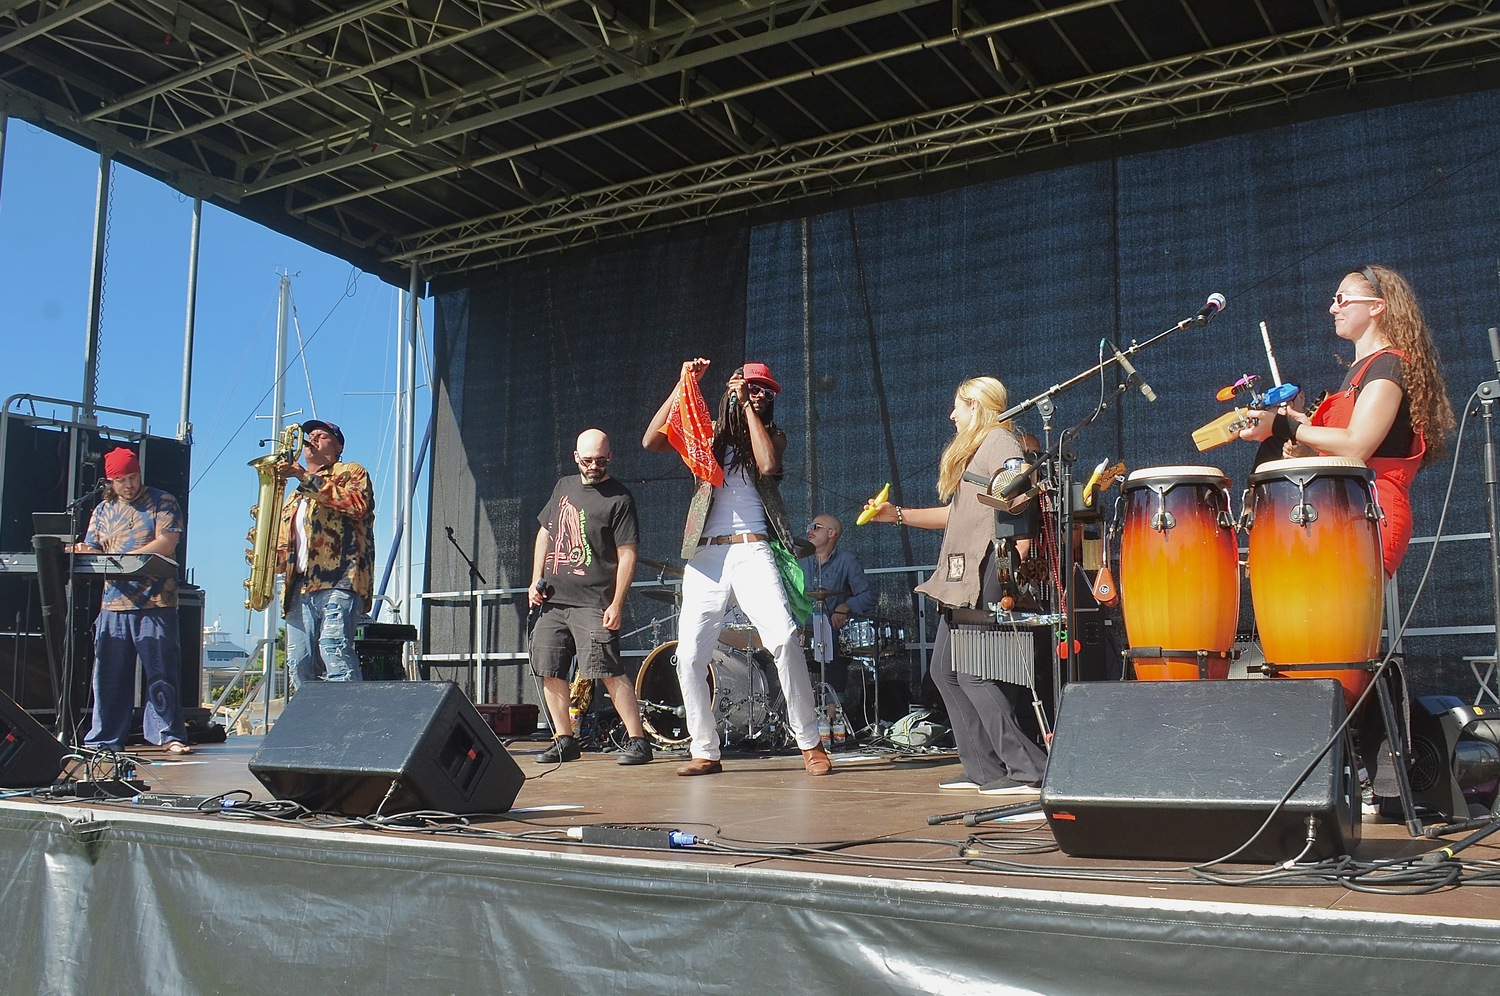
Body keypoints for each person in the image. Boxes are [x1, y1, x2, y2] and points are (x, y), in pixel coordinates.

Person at [643, 359, 831, 776]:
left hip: (753, 549)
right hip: (705, 555)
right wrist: (682, 384)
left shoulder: (773, 435)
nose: (760, 393)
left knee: (782, 637)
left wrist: (745, 405)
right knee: (690, 656)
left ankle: (810, 742)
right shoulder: (707, 433)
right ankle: (705, 750)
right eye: (752, 387)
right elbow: (652, 441)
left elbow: (767, 465)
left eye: (766, 390)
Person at [864, 377, 1048, 796]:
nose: (951, 415)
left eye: (957, 407)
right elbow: (957, 515)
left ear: (975, 405)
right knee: (944, 671)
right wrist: (897, 516)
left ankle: (1028, 767)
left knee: (972, 673)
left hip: (986, 568)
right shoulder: (980, 449)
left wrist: (1015, 558)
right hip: (960, 574)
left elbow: (1019, 501)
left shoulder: (1000, 439)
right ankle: (983, 769)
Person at [1239, 264, 1455, 576]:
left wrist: (1285, 427)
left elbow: (1357, 446)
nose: (1332, 308)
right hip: (1343, 511)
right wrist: (1305, 442)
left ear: (1376, 307)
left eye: (1342, 299)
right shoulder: (1362, 368)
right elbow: (1345, 452)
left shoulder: (1388, 366)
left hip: (1371, 511)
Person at [528, 429, 653, 765]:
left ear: (610, 457)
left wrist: (617, 603)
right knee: (550, 669)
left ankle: (639, 741)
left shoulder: (619, 498)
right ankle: (564, 739)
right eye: (587, 460)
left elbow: (628, 553)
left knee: (608, 669)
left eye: (600, 460)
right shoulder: (563, 486)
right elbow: (544, 532)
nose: (593, 466)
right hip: (553, 599)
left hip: (594, 601)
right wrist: (535, 579)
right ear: (575, 457)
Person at [76, 446, 192, 753]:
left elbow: (166, 543)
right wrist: (82, 551)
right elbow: (93, 546)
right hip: (113, 603)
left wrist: (125, 557)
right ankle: (105, 739)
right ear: (109, 481)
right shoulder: (102, 510)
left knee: (161, 671)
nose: (129, 484)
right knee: (109, 676)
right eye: (122, 479)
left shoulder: (162, 500)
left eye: (133, 476)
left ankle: (169, 735)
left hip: (155, 602)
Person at [276, 419, 375, 686]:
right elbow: (288, 545)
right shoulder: (295, 497)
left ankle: (344, 722)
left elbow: (356, 505)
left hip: (340, 578)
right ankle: (310, 724)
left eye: (322, 435)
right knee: (299, 663)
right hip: (300, 585)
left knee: (334, 648)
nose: (312, 438)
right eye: (311, 435)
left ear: (338, 446)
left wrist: (302, 476)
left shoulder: (351, 471)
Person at [799, 513, 877, 723]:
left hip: (833, 634)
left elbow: (868, 596)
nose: (809, 530)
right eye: (809, 526)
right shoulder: (798, 560)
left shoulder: (847, 561)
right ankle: (795, 716)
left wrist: (846, 606)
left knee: (834, 642)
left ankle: (833, 716)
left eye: (816, 527)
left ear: (831, 533)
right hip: (802, 629)